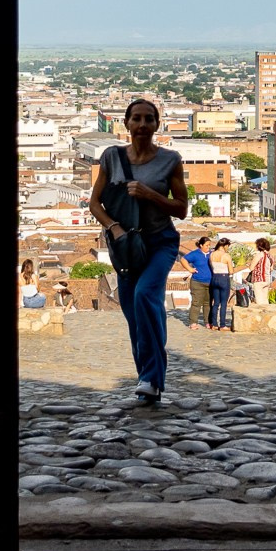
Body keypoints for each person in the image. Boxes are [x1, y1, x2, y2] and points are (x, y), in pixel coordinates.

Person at [87, 97, 189, 405]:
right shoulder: (111, 157)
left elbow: (181, 209)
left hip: (160, 242)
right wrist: (115, 229)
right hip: (126, 246)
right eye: (137, 119)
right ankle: (149, 379)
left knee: (146, 296)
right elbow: (95, 203)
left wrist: (150, 195)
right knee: (136, 314)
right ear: (127, 124)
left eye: (149, 119)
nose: (142, 125)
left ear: (157, 125)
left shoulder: (170, 160)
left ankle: (150, 378)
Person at [182, 236, 213, 329]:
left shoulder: (211, 254)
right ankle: (193, 322)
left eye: (209, 245)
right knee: (196, 303)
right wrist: (190, 269)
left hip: (210, 282)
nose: (208, 247)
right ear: (201, 245)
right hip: (197, 282)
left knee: (208, 303)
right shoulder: (195, 254)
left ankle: (208, 322)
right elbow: (183, 260)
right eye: (207, 245)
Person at [207, 237, 234, 331]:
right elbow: (231, 271)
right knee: (223, 303)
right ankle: (222, 325)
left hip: (214, 278)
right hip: (224, 278)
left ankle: (214, 324)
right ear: (225, 245)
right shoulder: (226, 256)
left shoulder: (212, 254)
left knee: (216, 303)